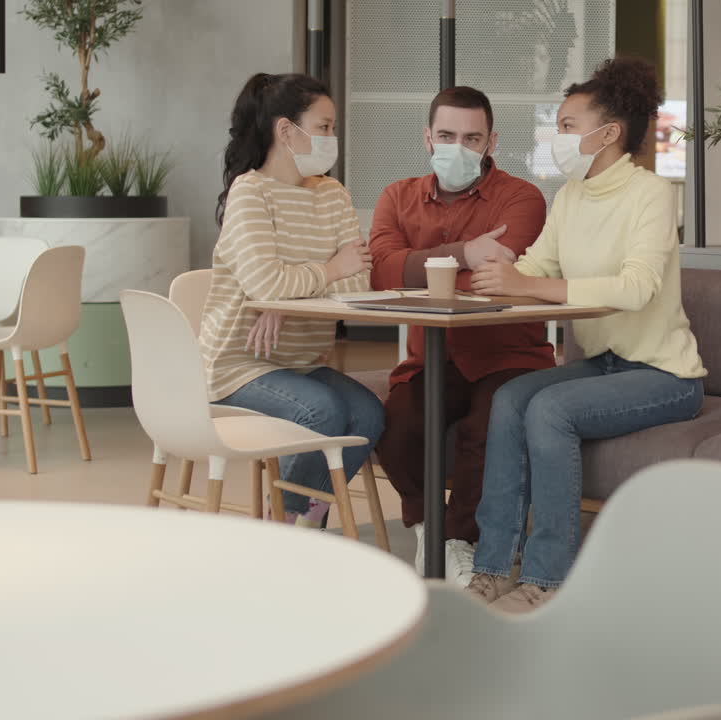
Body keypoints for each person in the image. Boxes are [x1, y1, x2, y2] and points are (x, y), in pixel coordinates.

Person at [464, 58, 707, 612]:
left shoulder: (651, 194)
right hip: (605, 364)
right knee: (510, 398)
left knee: (550, 410)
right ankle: (492, 568)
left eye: (568, 126)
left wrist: (528, 284)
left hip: (664, 374)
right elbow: (540, 267)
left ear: (609, 133)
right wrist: (501, 270)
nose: (558, 136)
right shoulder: (573, 195)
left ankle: (547, 579)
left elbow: (636, 288)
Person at [369, 86, 556, 586]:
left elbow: (500, 276)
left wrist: (418, 267)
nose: (458, 147)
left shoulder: (522, 198)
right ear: (427, 138)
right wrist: (465, 254)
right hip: (431, 358)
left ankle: (458, 542)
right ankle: (431, 531)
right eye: (447, 135)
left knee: (485, 430)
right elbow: (379, 271)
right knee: (398, 426)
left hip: (510, 355)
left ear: (491, 142)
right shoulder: (397, 196)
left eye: (472, 138)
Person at [202, 72, 384, 527]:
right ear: (286, 131)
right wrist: (328, 270)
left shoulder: (333, 194)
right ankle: (286, 522)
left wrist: (285, 298)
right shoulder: (250, 193)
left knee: (368, 413)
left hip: (300, 361)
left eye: (332, 128)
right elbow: (269, 282)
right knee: (322, 410)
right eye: (323, 127)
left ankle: (301, 515)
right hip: (238, 366)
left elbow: (357, 286)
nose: (332, 138)